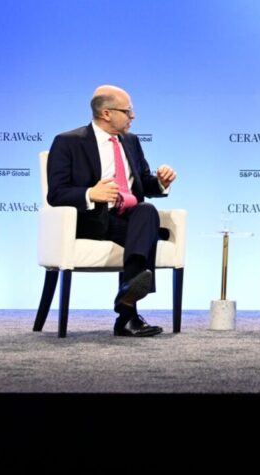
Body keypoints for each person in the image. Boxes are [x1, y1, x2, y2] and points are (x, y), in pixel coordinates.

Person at [46, 85, 177, 337]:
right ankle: (127, 315)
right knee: (145, 232)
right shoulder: (68, 142)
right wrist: (90, 193)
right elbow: (56, 193)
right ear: (106, 113)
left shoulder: (131, 141)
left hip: (128, 218)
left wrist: (161, 182)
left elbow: (143, 183)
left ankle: (127, 295)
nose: (133, 116)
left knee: (147, 210)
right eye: (127, 111)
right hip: (91, 219)